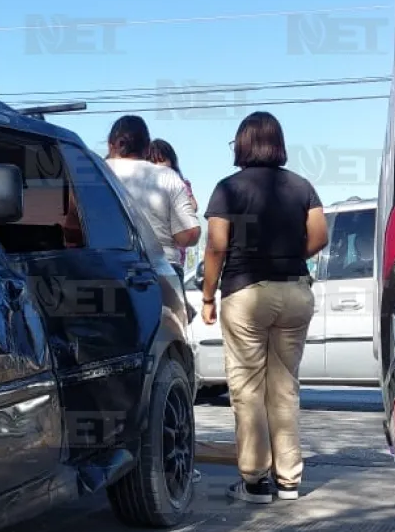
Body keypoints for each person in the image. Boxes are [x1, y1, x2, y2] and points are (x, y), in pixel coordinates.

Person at [199, 111, 328, 505]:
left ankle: (255, 483)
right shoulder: (302, 186)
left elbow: (217, 245)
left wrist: (207, 296)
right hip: (294, 291)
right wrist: (288, 256)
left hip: (246, 293)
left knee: (248, 389)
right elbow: (320, 237)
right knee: (285, 387)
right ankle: (289, 481)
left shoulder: (228, 189)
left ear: (242, 144)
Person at [104, 116, 200, 288]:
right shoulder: (167, 176)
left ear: (110, 144)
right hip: (163, 271)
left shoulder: (95, 173)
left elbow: (72, 227)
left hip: (106, 272)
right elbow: (190, 233)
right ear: (147, 148)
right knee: (166, 316)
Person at [147, 138, 198, 273]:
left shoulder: (179, 182)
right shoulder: (146, 186)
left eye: (162, 160)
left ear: (172, 161)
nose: (158, 166)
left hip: (174, 255)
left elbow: (193, 206)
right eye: (153, 162)